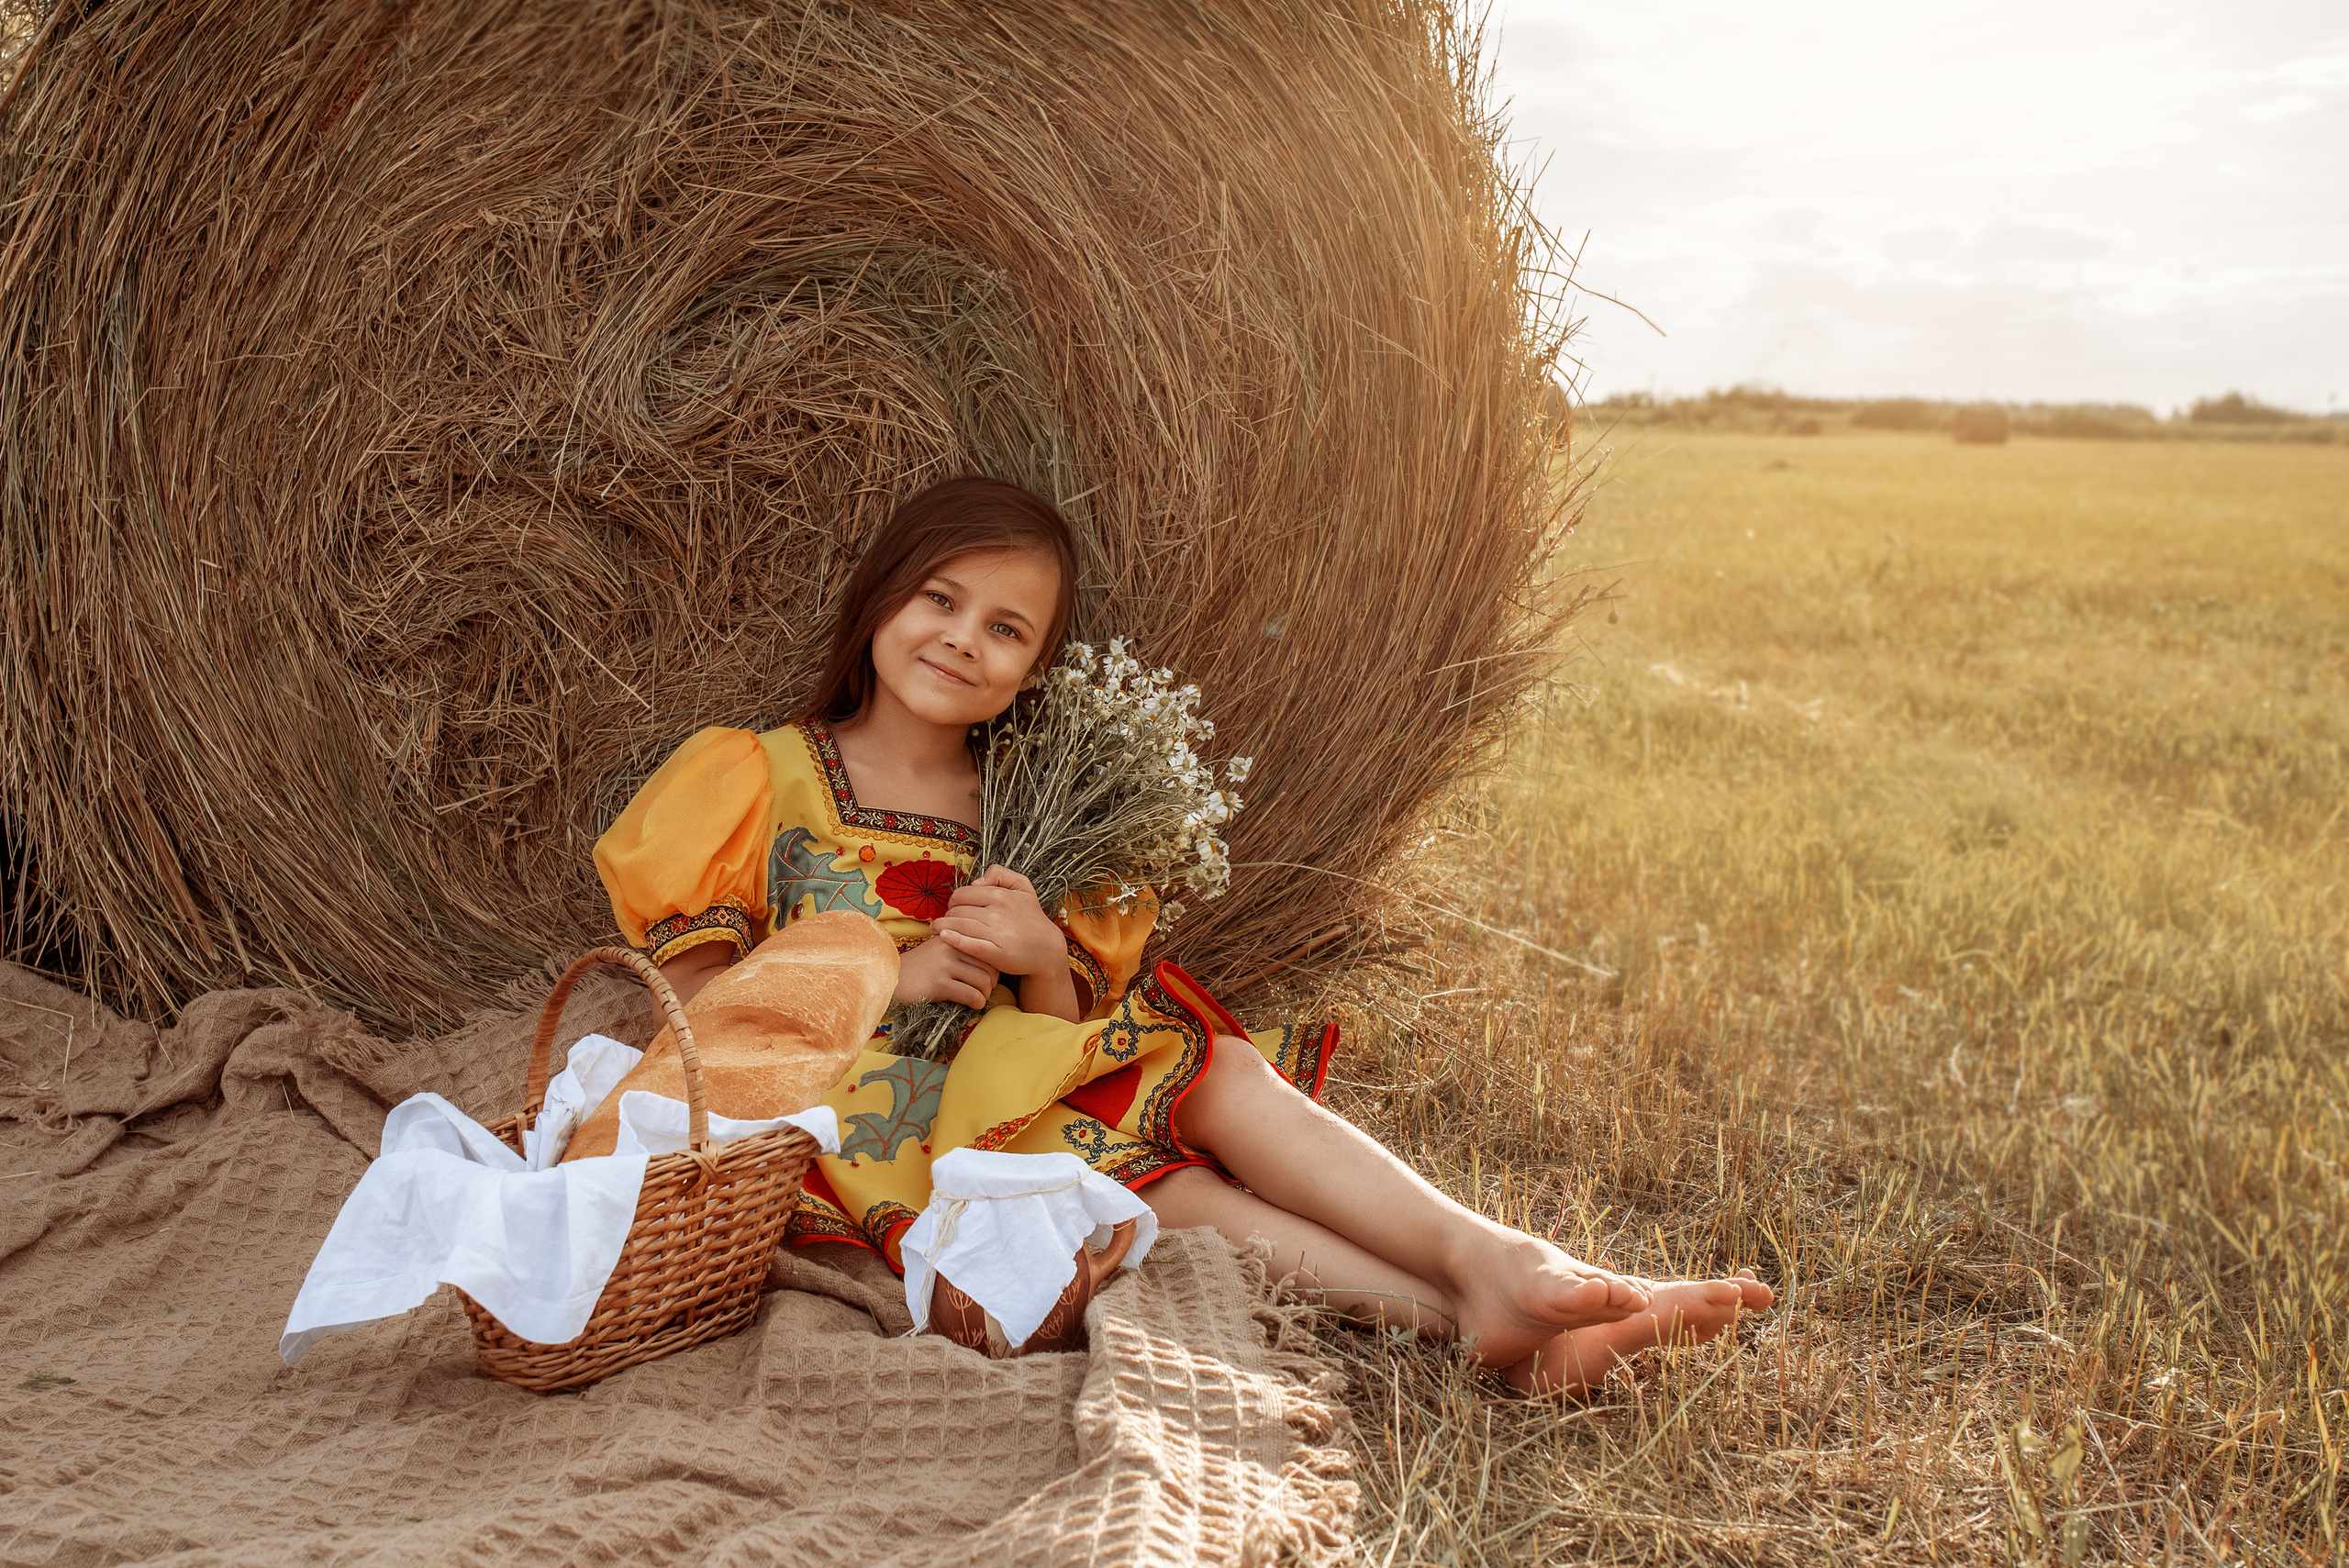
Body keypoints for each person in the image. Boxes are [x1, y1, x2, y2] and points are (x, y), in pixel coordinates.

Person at [594, 475, 1771, 1396]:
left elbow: (1062, 1023)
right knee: (1163, 1185)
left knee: (1217, 1071)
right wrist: (885, 976)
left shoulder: (1037, 803)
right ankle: (1469, 1319)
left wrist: (1041, 957)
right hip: (867, 1112)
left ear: (1033, 672)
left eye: (1005, 628)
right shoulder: (758, 775)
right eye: (939, 600)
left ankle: (1491, 1257)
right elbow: (698, 1016)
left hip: (1018, 1066)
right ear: (880, 600)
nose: (961, 638)